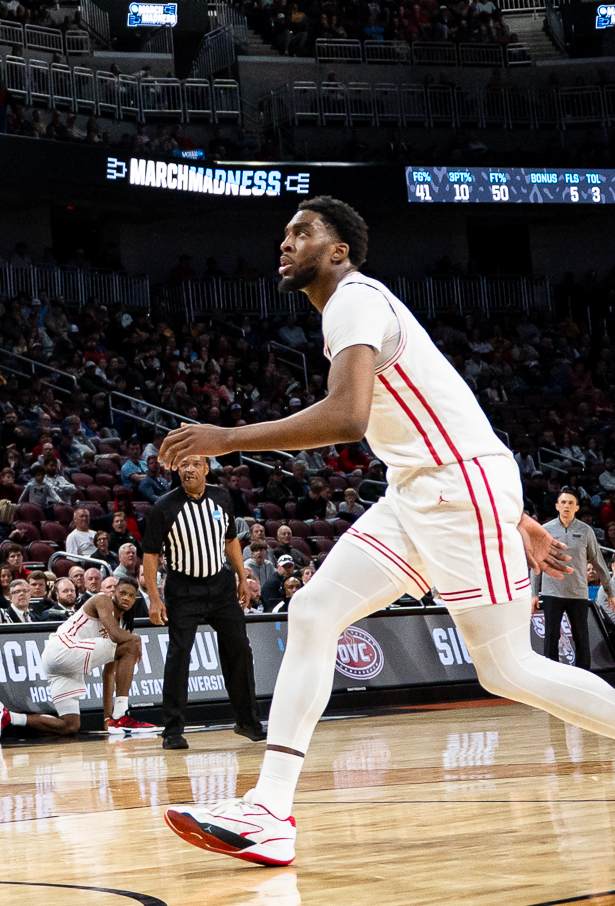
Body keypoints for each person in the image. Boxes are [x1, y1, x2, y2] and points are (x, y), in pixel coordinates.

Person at [159, 198, 612, 869]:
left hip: (456, 489)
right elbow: (440, 413)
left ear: (339, 249)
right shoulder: (350, 310)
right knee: (313, 609)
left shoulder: (353, 298)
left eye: (301, 232)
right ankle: (269, 811)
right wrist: (514, 515)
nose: (285, 243)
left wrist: (227, 438)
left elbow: (347, 416)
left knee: (506, 668)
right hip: (421, 489)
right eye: (283, 234)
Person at [141, 453, 260, 748]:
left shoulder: (222, 498)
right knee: (179, 656)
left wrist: (242, 577)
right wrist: (154, 598)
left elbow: (231, 540)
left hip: (220, 585)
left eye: (195, 464)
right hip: (183, 588)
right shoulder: (164, 506)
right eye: (184, 465)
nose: (189, 469)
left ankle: (247, 720)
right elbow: (151, 555)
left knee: (239, 649)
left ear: (207, 468)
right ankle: (172, 730)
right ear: (177, 470)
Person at [0, 575, 145, 743]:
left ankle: (7, 716)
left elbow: (108, 674)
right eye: (122, 593)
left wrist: (107, 718)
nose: (126, 598)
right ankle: (121, 715)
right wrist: (135, 639)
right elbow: (115, 636)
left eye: (131, 595)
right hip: (63, 648)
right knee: (130, 646)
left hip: (62, 663)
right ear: (114, 593)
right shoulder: (103, 600)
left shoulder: (122, 626)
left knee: (70, 725)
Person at [534, 491, 608, 670]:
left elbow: (598, 562)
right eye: (563, 502)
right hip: (552, 592)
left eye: (570, 503)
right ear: (557, 506)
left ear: (577, 507)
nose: (566, 506)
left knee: (581, 638)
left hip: (578, 594)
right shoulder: (546, 530)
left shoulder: (586, 531)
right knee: (551, 638)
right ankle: (552, 676)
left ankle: (584, 677)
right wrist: (533, 593)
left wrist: (610, 590)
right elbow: (537, 563)